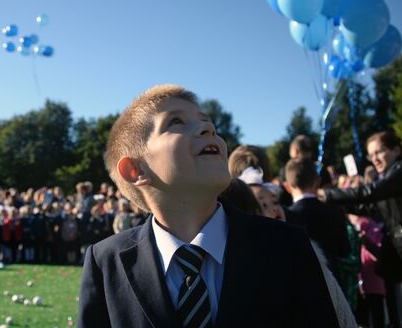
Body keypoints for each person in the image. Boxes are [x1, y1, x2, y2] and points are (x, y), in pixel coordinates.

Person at [77, 85, 338, 327]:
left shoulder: (287, 246)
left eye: (207, 122)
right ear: (136, 170)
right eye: (176, 122)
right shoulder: (106, 262)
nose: (208, 129)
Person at [318, 130, 402, 327]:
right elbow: (367, 208)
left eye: (379, 152)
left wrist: (330, 195)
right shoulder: (389, 177)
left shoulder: (398, 172)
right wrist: (332, 203)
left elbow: (371, 192)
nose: (375, 158)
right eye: (371, 155)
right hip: (394, 254)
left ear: (396, 149)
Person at [285, 158, 351, 283]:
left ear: (287, 186)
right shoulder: (335, 212)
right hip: (333, 284)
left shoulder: (286, 216)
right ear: (317, 182)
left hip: (300, 285)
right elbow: (344, 251)